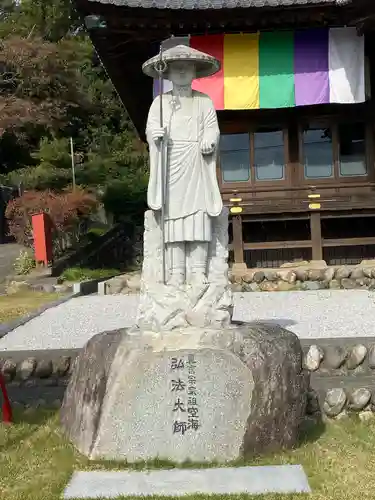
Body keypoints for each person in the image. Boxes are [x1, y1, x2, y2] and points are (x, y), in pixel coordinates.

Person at [142, 45, 223, 286]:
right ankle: (176, 271)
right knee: (173, 218)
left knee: (198, 216)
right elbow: (150, 129)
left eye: (186, 68)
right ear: (167, 73)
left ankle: (198, 269)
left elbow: (212, 128)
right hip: (171, 162)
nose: (181, 73)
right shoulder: (160, 103)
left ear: (195, 72)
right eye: (177, 68)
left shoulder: (204, 101)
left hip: (196, 162)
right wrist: (155, 136)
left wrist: (209, 139)